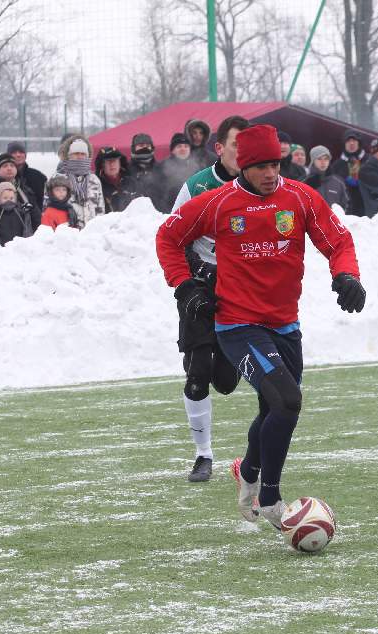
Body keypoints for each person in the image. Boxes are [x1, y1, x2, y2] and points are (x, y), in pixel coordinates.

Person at [155, 123, 364, 530]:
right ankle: (270, 499)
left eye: (275, 165)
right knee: (287, 401)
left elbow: (339, 241)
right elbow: (168, 237)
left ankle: (247, 471)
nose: (270, 174)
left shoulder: (300, 197)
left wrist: (346, 275)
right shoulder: (218, 203)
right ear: (243, 167)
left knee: (274, 408)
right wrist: (185, 286)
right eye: (261, 167)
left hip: (284, 324)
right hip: (237, 325)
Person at [169, 114, 249, 482]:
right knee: (198, 373)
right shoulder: (197, 186)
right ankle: (203, 455)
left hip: (241, 290)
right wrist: (195, 275)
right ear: (219, 148)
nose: (243, 153)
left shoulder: (262, 186)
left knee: (227, 382)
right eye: (236, 145)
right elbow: (172, 237)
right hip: (200, 287)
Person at [56, 135, 105, 227]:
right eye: (76, 153)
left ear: (87, 156)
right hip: (66, 232)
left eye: (83, 154)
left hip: (91, 232)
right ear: (68, 155)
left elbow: (100, 211)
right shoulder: (57, 180)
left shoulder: (94, 180)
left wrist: (99, 230)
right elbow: (48, 211)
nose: (80, 157)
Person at [157, 133, 198, 212]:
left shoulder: (197, 167)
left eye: (186, 146)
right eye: (179, 146)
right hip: (168, 212)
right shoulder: (162, 167)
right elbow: (158, 194)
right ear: (173, 150)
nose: (183, 149)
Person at [329, 129, 367, 216]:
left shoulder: (368, 161)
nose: (351, 143)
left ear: (359, 143)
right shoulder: (337, 165)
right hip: (346, 209)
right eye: (348, 141)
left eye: (354, 140)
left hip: (367, 208)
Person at [303, 145, 350, 212]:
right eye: (319, 159)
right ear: (313, 161)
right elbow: (293, 207)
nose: (323, 162)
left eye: (326, 159)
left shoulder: (338, 183)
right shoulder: (304, 182)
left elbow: (347, 206)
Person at [94, 145, 139, 213]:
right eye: (108, 161)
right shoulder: (96, 185)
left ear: (120, 163)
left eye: (114, 160)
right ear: (102, 165)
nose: (112, 164)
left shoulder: (132, 182)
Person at [127, 133, 166, 211]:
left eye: (148, 146)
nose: (145, 148)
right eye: (141, 145)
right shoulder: (126, 170)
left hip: (159, 214)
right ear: (134, 148)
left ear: (152, 147)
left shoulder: (161, 169)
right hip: (132, 215)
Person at [7, 141, 47, 211]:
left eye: (21, 152)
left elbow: (47, 200)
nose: (18, 155)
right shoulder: (2, 178)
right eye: (14, 152)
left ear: (25, 155)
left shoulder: (38, 176)